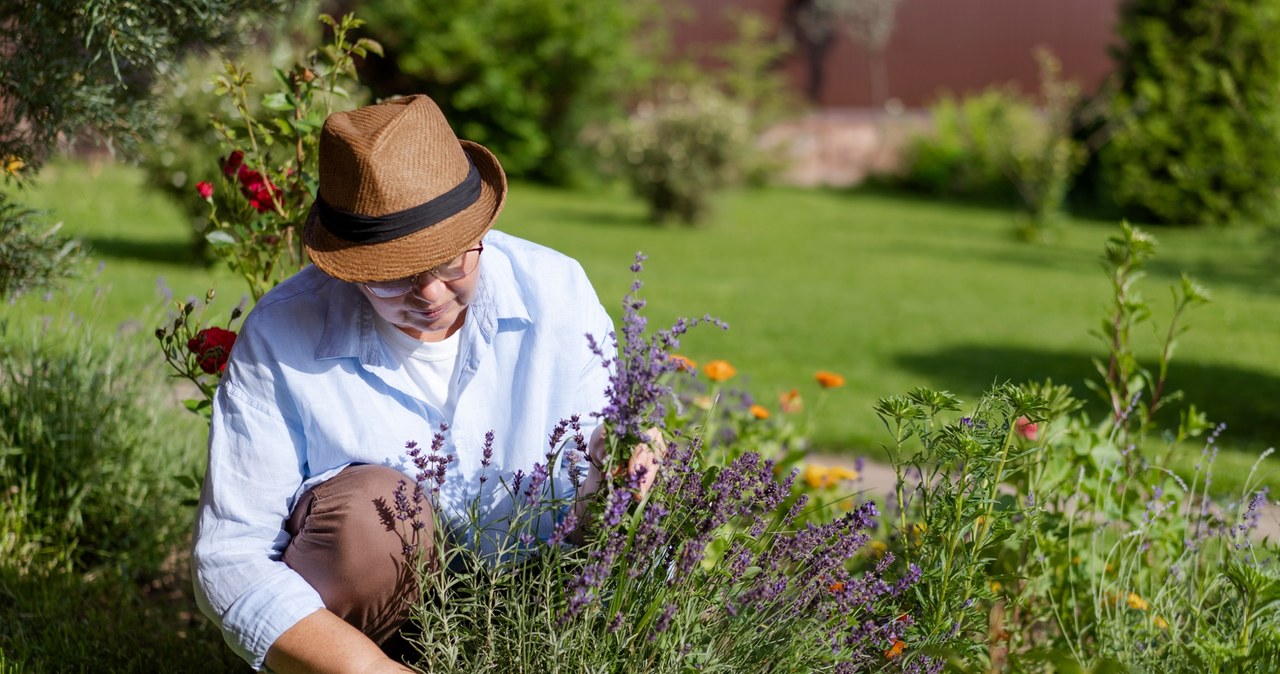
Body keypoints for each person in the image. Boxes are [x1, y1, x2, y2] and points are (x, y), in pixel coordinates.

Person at [191, 94, 621, 673]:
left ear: (482, 232)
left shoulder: (558, 294)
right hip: (361, 643)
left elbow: (599, 457)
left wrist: (618, 470)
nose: (431, 295)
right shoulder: (284, 335)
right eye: (393, 277)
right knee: (376, 515)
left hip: (532, 615)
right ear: (348, 268)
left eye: (451, 262)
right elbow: (232, 556)